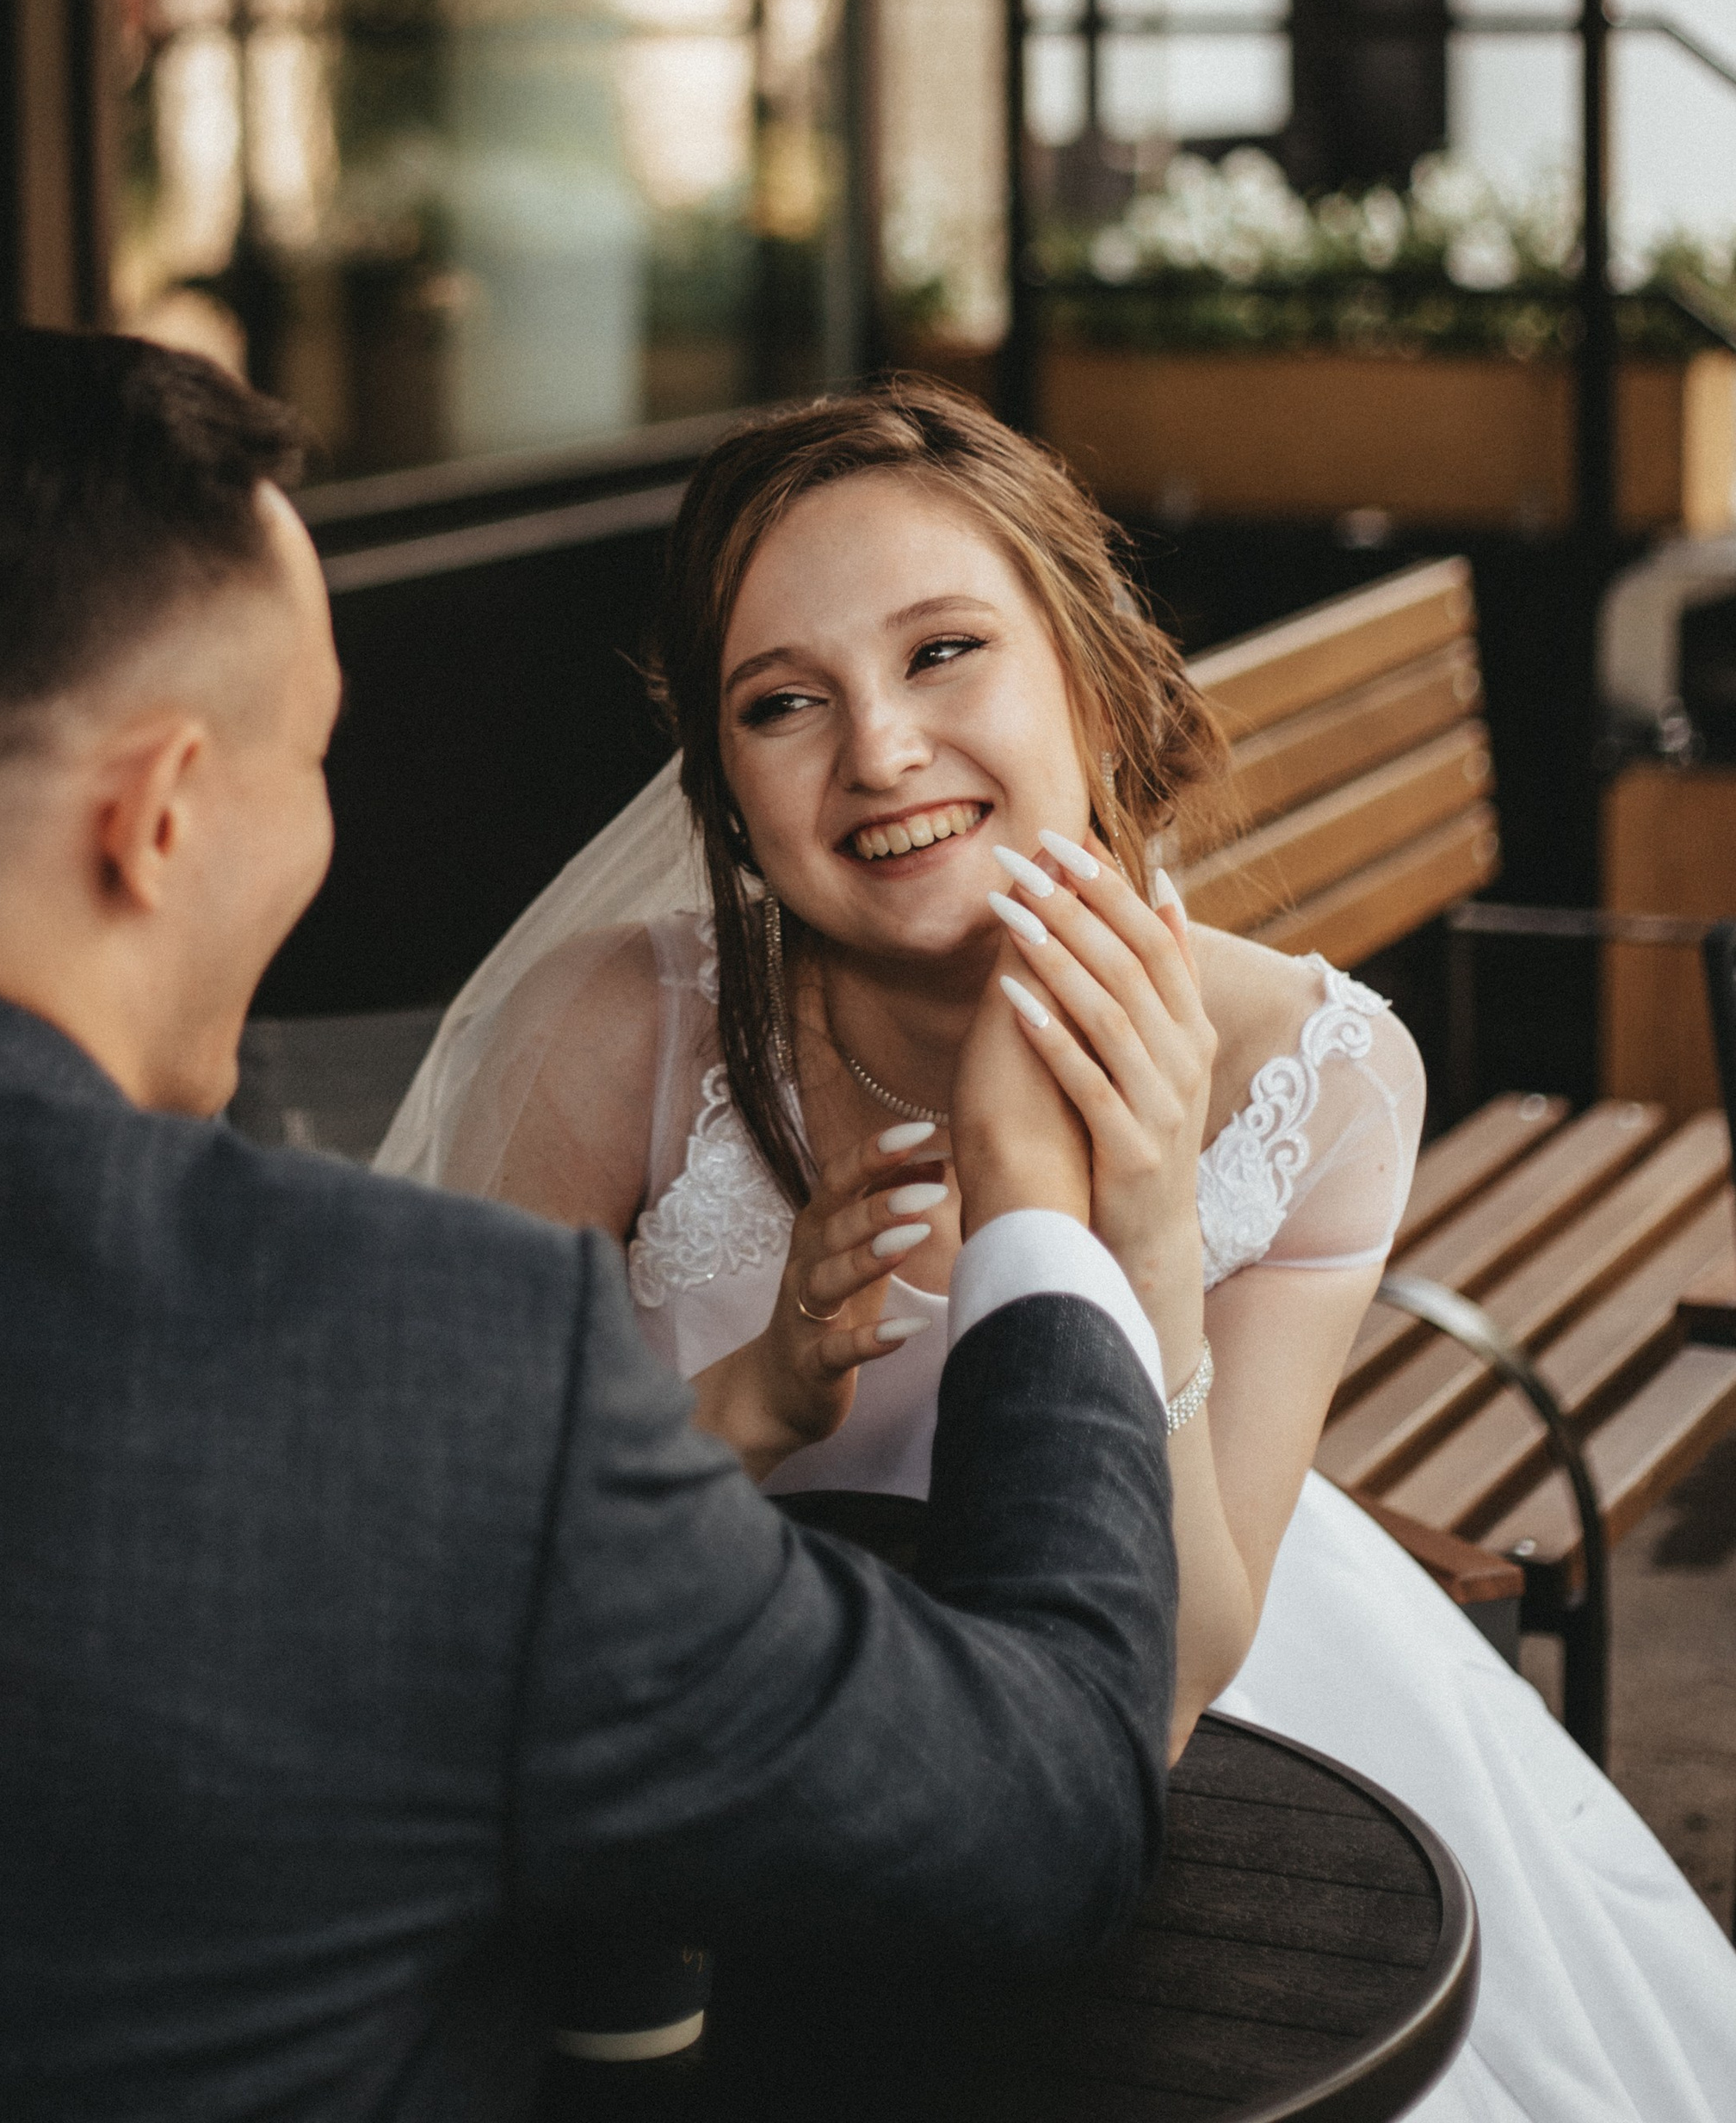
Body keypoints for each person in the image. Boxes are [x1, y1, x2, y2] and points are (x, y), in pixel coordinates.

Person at [0, 327, 1180, 2122]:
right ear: (159, 817)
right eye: (307, 754)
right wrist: (1031, 1199)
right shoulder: (434, 1375)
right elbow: (1048, 1820)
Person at [383, 373, 1736, 2123]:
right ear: (718, 785)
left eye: (943, 651)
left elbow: (1159, 1696)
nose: (876, 749)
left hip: (1203, 1749)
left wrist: (1149, 1234)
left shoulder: (1312, 1081)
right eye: (782, 702)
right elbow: (450, 1566)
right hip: (714, 1768)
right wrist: (757, 1401)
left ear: (1086, 669)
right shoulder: (614, 1040)